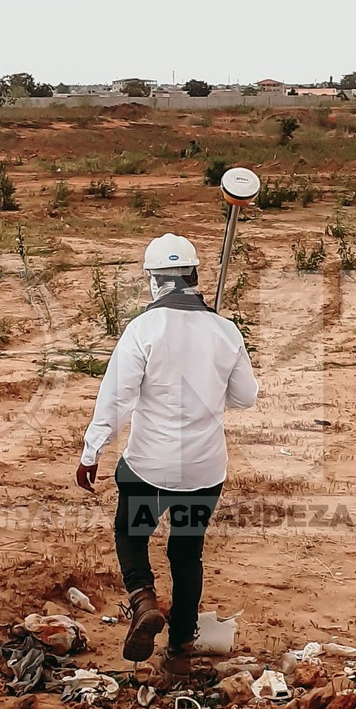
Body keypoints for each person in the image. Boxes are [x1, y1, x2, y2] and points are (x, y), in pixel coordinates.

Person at [77, 233, 258, 666]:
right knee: (186, 552)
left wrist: (91, 451)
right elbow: (246, 396)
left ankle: (142, 599)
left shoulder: (143, 330)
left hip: (149, 471)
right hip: (203, 473)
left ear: (154, 282)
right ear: (195, 275)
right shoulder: (224, 330)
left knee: (131, 533)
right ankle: (180, 643)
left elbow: (115, 398)